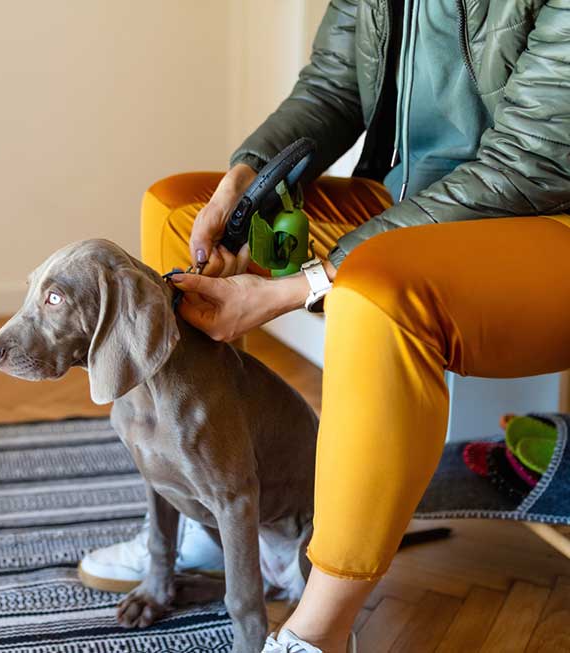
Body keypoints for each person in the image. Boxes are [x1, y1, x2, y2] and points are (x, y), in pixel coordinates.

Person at [79, 1, 570, 651]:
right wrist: (243, 178)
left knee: (372, 288)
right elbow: (335, 84)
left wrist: (298, 284)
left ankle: (320, 628)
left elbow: (529, 162)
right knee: (180, 208)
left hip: (543, 214)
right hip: (406, 200)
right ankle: (215, 515)